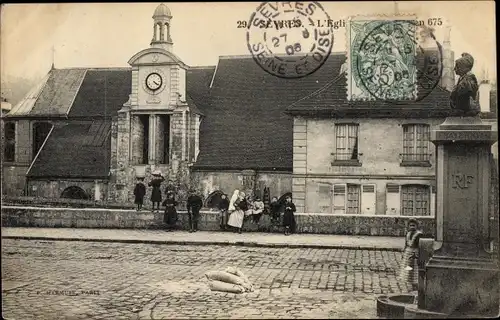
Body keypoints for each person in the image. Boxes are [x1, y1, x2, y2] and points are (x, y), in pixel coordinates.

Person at [399, 219, 423, 290]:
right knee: (409, 268)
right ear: (408, 226)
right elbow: (406, 244)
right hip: (408, 252)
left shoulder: (419, 234)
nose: (412, 227)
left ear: (417, 226)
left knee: (414, 268)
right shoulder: (408, 233)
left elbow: (420, 246)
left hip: (415, 253)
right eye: (410, 225)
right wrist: (404, 252)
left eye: (414, 225)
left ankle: (416, 283)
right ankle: (411, 283)